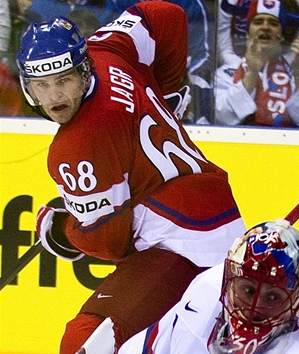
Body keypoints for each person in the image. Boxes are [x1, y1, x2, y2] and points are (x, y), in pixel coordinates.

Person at [17, 2, 246, 353]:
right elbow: (166, 14)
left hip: (183, 244)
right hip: (211, 211)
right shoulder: (108, 50)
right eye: (41, 85)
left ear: (82, 71)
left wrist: (60, 229)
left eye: (63, 80)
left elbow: (108, 243)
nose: (55, 96)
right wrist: (165, 93)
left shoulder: (76, 146)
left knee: (87, 339)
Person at [115, 219, 299, 354]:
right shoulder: (204, 297)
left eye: (273, 297)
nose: (255, 308)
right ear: (228, 281)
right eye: (248, 290)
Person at [214, 0, 299, 128]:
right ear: (247, 34)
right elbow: (220, 117)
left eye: (273, 23)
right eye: (258, 22)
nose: (265, 27)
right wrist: (251, 74)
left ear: (282, 36)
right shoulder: (226, 74)